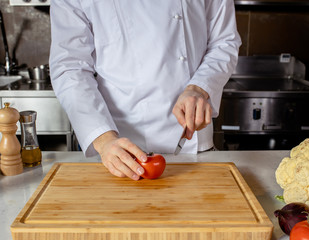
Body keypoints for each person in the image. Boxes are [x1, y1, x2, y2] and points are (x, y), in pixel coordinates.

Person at [49, 1, 241, 180]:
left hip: (193, 145)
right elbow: (70, 66)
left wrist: (199, 87)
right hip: (118, 149)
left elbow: (225, 42)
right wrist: (103, 139)